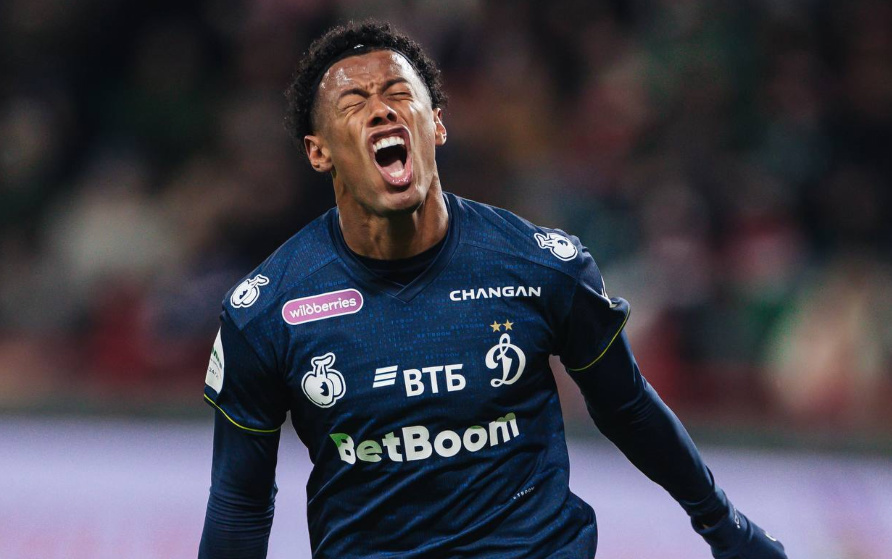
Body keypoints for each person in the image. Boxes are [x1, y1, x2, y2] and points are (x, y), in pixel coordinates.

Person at [199, 20, 787, 559]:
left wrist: (725, 526)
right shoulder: (267, 312)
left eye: (399, 94)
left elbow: (628, 406)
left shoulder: (539, 267)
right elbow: (239, 503)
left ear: (436, 125)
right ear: (318, 151)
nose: (381, 111)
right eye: (354, 103)